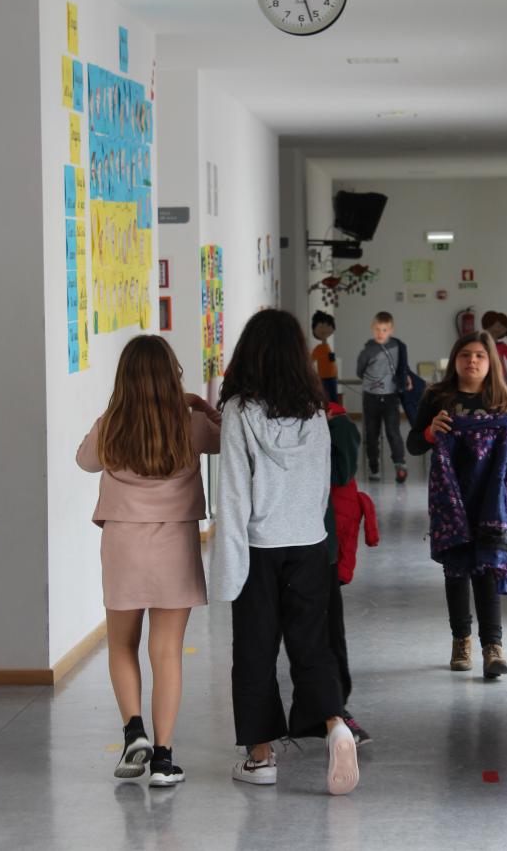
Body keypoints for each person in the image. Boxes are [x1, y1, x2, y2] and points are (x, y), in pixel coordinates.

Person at [211, 309, 359, 796]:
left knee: (254, 650)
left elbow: (232, 495)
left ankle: (260, 757)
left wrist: (226, 573)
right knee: (312, 645)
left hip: (258, 548)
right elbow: (318, 488)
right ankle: (335, 724)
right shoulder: (315, 409)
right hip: (308, 545)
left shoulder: (237, 412)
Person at [76, 335, 221, 786]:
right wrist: (202, 404)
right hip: (174, 545)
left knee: (121, 644)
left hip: (122, 545)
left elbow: (84, 461)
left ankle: (132, 730)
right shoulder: (190, 423)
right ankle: (162, 757)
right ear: (171, 377)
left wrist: (113, 411)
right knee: (166, 651)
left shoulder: (113, 424)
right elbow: (228, 438)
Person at [406, 330, 507, 678]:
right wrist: (432, 431)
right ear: (455, 359)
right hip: (450, 497)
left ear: (489, 360)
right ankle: (460, 640)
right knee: (457, 568)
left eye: (479, 355)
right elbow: (414, 444)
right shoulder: (437, 396)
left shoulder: (500, 397)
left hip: (492, 500)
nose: (472, 361)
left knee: (489, 568)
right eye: (465, 354)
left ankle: (493, 647)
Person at [324, 400, 378, 746]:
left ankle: (335, 712)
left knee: (327, 633)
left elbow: (342, 473)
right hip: (284, 544)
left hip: (322, 551)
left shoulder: (337, 424)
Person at [356, 311, 412, 483]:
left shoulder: (399, 346)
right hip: (371, 396)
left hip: (390, 396)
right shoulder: (367, 350)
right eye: (378, 329)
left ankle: (400, 464)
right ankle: (374, 467)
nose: (381, 333)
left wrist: (406, 378)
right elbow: (360, 371)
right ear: (372, 329)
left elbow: (403, 366)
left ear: (391, 330)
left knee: (393, 431)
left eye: (384, 329)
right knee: (371, 433)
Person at [311, 310, 339, 404]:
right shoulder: (319, 348)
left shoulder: (327, 347)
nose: (324, 329)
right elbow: (310, 360)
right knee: (328, 400)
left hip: (332, 378)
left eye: (327, 325)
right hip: (324, 378)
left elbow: (331, 362)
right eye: (321, 326)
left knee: (333, 400)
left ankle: (333, 417)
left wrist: (335, 374)